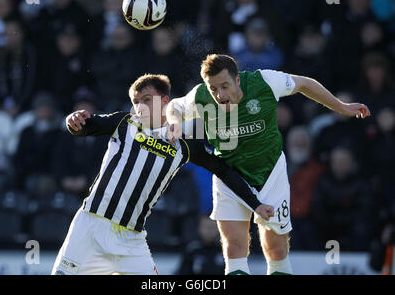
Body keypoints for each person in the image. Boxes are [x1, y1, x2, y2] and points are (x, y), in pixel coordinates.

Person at [166, 54, 371, 275]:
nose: (220, 95)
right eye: (214, 88)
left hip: (270, 175)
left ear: (237, 80)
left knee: (276, 249)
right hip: (230, 177)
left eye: (225, 86)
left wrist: (342, 107)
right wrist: (175, 125)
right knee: (234, 248)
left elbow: (304, 83)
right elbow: (174, 107)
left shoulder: (263, 82)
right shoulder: (201, 96)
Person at [51, 73, 273, 275]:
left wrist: (255, 204)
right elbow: (85, 126)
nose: (140, 107)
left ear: (166, 102)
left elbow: (223, 170)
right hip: (91, 227)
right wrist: (74, 121)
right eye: (136, 102)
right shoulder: (124, 123)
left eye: (146, 99)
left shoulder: (185, 143)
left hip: (132, 240)